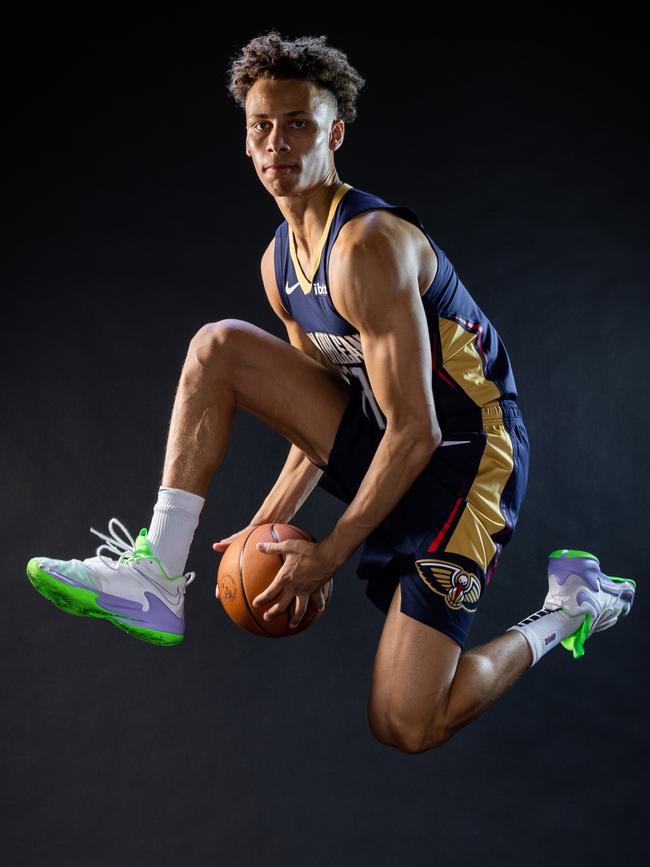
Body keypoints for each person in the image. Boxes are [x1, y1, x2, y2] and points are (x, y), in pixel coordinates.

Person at [26, 31, 636, 753]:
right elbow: (319, 422)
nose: (276, 143)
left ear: (334, 133)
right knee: (217, 347)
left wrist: (331, 549)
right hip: (394, 436)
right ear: (246, 141)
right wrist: (265, 524)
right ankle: (158, 573)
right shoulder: (279, 265)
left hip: (471, 458)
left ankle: (571, 608)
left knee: (407, 722)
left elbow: (417, 429)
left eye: (298, 125)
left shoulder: (367, 247)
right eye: (261, 127)